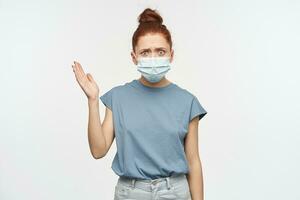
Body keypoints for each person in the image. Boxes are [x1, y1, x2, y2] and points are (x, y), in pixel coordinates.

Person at [72, 7, 207, 200]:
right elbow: (98, 150)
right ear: (134, 57)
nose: (153, 58)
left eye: (160, 51)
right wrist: (92, 100)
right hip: (131, 193)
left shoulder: (187, 101)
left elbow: (193, 161)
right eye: (145, 52)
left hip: (175, 192)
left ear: (171, 54)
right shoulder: (118, 98)